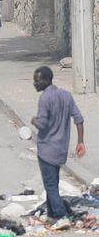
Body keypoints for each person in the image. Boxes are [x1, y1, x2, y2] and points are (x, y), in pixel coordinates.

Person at [31, 66, 85, 225]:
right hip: (61, 148)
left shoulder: (45, 98)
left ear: (46, 80)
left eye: (37, 80)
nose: (34, 83)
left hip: (46, 148)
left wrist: (34, 120)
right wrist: (80, 141)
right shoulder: (66, 96)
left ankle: (61, 216)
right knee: (52, 182)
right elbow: (79, 119)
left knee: (50, 185)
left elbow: (43, 124)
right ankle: (52, 214)